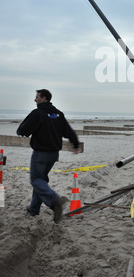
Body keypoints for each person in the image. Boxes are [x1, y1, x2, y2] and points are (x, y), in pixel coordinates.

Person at [17, 89, 81, 223]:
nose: (35, 100)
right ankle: (34, 209)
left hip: (41, 153)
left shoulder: (38, 113)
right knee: (41, 181)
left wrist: (22, 131)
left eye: (37, 97)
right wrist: (75, 144)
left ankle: (55, 201)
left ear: (44, 98)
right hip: (53, 155)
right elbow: (69, 131)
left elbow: (23, 130)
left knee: (35, 180)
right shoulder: (58, 114)